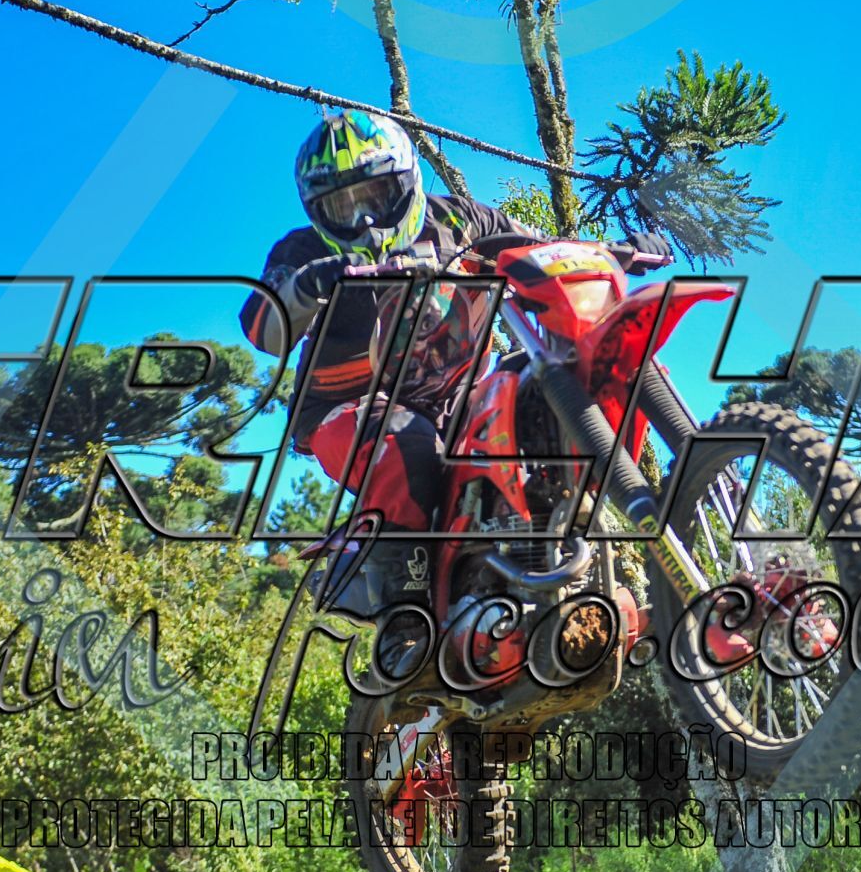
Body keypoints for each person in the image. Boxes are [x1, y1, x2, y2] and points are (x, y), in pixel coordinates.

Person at [238, 110, 670, 602]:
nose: (364, 220)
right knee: (405, 445)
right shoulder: (301, 252)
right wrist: (309, 284)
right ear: (319, 213)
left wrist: (615, 251)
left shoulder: (460, 220)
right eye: (343, 207)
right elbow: (262, 328)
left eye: (375, 195)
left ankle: (568, 541)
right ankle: (406, 618)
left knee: (540, 390)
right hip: (347, 412)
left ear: (405, 182)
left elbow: (542, 250)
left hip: (458, 407)